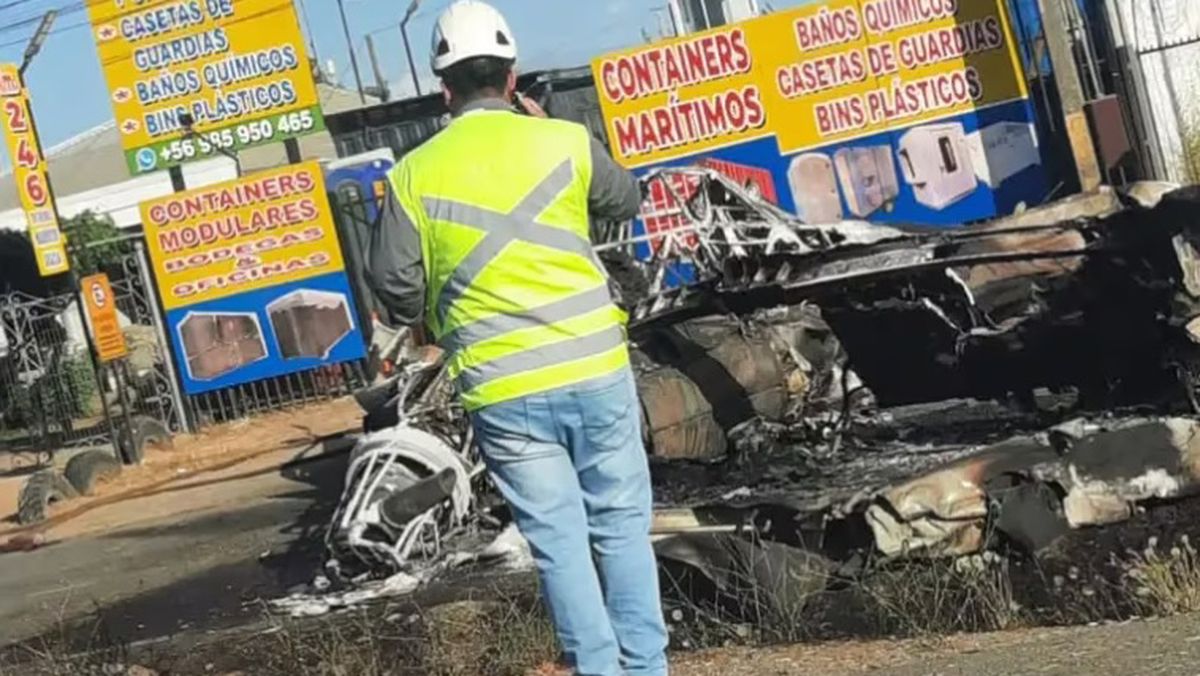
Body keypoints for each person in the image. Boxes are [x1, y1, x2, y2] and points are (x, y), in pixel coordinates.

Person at [366, 2, 669, 674]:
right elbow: (624, 200)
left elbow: (395, 287)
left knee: (559, 545)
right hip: (594, 366)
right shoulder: (563, 140)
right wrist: (545, 128)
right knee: (621, 527)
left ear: (443, 89)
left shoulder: (412, 176)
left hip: (503, 388)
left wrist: (431, 308)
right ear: (512, 76)